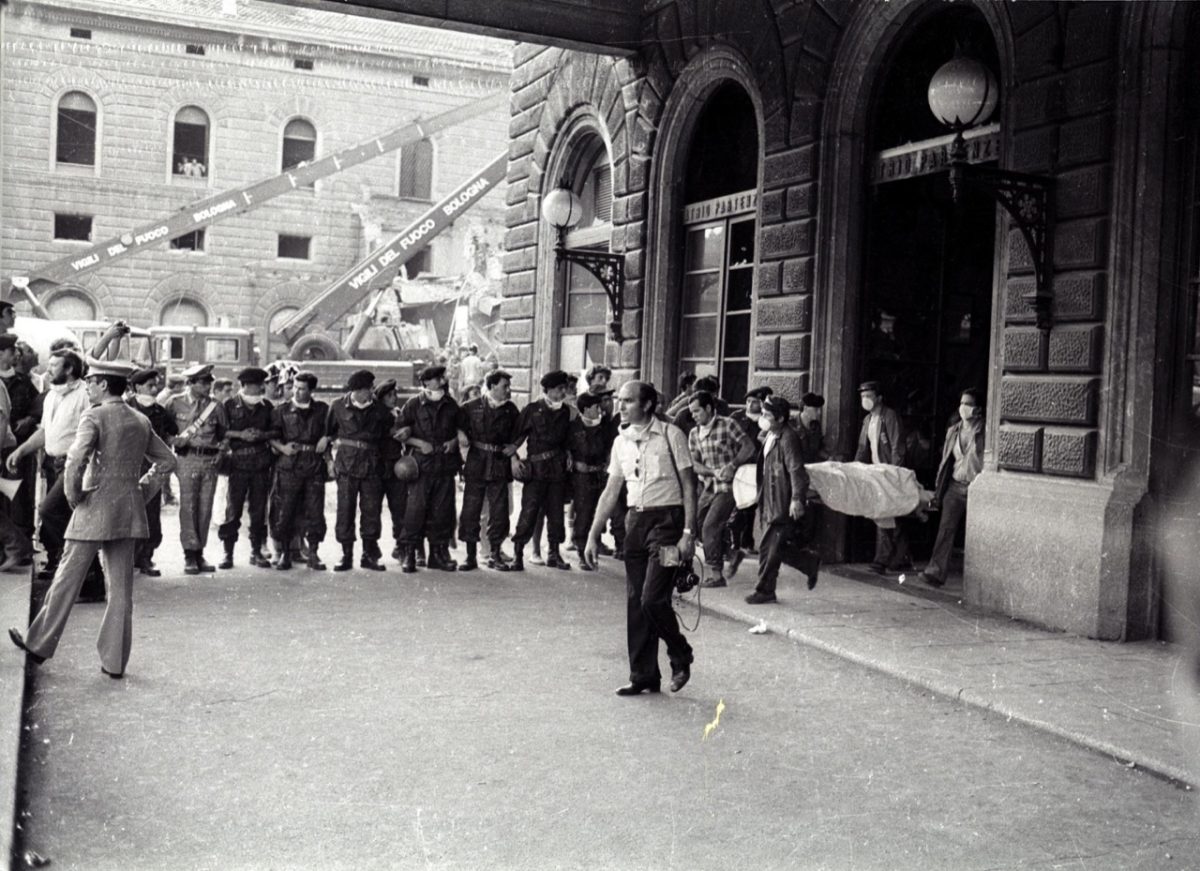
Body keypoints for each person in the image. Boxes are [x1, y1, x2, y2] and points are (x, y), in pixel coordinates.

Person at [8, 359, 176, 679]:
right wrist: (142, 491)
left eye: (91, 382)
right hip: (128, 510)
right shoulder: (140, 419)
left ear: (101, 384)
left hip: (93, 507)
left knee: (66, 579)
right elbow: (167, 460)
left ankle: (39, 644)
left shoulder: (94, 415)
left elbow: (75, 459)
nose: (87, 386)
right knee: (121, 589)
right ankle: (115, 663)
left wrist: (73, 494)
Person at [584, 381, 697, 696]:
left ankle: (680, 652)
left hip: (668, 526)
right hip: (635, 524)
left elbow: (690, 486)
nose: (620, 406)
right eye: (620, 400)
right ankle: (644, 675)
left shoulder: (672, 436)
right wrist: (593, 534)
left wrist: (689, 533)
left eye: (628, 401)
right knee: (637, 600)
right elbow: (611, 491)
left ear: (648, 405)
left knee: (653, 597)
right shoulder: (621, 441)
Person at [7, 349, 93, 585]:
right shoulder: (52, 396)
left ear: (69, 369)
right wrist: (21, 450)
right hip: (54, 464)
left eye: (55, 366)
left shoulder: (85, 394)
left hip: (75, 464)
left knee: (49, 510)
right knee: (68, 519)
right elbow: (46, 432)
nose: (49, 369)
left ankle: (86, 571)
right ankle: (81, 574)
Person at [748, 395, 820, 604]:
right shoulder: (772, 434)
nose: (763, 418)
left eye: (767, 415)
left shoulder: (788, 438)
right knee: (775, 545)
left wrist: (797, 499)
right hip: (769, 497)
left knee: (768, 547)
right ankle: (808, 563)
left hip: (781, 500)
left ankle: (765, 590)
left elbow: (797, 470)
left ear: (780, 418)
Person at [686, 389, 756, 587]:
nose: (694, 416)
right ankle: (732, 554)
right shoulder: (694, 433)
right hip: (709, 486)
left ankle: (716, 575)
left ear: (709, 408)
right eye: (691, 412)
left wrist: (733, 465)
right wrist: (711, 472)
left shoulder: (728, 424)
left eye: (697, 411)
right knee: (697, 523)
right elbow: (695, 464)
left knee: (711, 525)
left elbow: (748, 447)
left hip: (729, 487)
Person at [398, 365, 462, 573]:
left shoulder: (451, 404)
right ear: (427, 383)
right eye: (438, 378)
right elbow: (398, 431)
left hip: (444, 466)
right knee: (415, 511)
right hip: (421, 468)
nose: (442, 380)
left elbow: (460, 430)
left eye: (442, 377)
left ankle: (438, 555)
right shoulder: (414, 404)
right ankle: (409, 554)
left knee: (442, 512)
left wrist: (453, 442)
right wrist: (418, 443)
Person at [165, 363, 227, 576]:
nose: (208, 386)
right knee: (189, 506)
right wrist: (173, 440)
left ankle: (200, 552)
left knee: (205, 507)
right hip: (187, 458)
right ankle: (189, 554)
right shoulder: (174, 404)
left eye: (209, 382)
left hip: (209, 461)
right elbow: (161, 431)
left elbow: (224, 434)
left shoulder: (216, 407)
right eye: (203, 382)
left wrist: (221, 453)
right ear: (191, 383)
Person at [919, 389, 985, 588]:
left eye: (969, 404)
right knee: (946, 529)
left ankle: (979, 580)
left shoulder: (985, 431)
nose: (963, 407)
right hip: (955, 486)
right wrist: (940, 488)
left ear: (979, 409)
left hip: (977, 487)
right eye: (962, 402)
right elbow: (946, 461)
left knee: (978, 533)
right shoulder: (953, 431)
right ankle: (935, 572)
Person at [510, 370, 575, 572]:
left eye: (564, 388)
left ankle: (554, 554)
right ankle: (518, 555)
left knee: (556, 513)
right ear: (547, 390)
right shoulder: (532, 410)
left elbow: (569, 440)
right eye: (558, 389)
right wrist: (513, 459)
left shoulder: (567, 412)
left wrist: (569, 454)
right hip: (536, 471)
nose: (563, 392)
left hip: (557, 471)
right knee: (529, 512)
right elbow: (515, 439)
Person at [327, 369, 390, 572]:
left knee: (372, 511)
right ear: (356, 390)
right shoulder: (337, 406)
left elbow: (388, 438)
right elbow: (326, 436)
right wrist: (329, 461)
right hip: (346, 465)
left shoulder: (380, 410)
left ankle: (368, 554)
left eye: (370, 389)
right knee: (345, 510)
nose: (370, 393)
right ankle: (346, 555)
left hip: (372, 466)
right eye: (365, 390)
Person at [457, 368, 519, 572]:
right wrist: (460, 434)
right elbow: (453, 423)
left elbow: (521, 431)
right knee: (471, 510)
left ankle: (495, 554)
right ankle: (470, 556)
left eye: (508, 387)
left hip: (500, 463)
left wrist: (515, 447)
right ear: (492, 386)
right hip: (476, 462)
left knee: (499, 512)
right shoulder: (470, 407)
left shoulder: (511, 410)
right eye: (504, 386)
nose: (508, 390)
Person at [268, 371, 330, 571]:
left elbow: (334, 429)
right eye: (295, 387)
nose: (296, 391)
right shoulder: (281, 411)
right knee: (285, 509)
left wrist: (326, 438)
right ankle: (286, 552)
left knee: (315, 511)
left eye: (302, 388)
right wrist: (282, 448)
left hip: (313, 465)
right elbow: (271, 436)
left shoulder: (322, 410)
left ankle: (313, 552)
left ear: (311, 390)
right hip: (289, 465)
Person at [217, 367, 276, 570]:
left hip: (260, 466)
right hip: (238, 466)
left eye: (262, 384)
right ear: (244, 386)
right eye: (256, 384)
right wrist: (240, 435)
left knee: (259, 511)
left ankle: (256, 551)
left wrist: (261, 435)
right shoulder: (229, 405)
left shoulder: (267, 406)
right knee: (233, 510)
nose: (261, 388)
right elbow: (221, 431)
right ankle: (228, 553)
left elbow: (276, 430)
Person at [127, 368, 178, 577]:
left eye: (156, 385)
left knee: (151, 515)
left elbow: (172, 433)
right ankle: (125, 559)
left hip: (152, 469)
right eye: (150, 385)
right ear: (138, 387)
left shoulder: (160, 411)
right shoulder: (125, 408)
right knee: (127, 513)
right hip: (127, 467)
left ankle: (146, 557)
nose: (155, 389)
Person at [855, 380, 909, 573]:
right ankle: (900, 556)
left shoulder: (889, 416)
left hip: (889, 473)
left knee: (886, 513)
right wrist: (856, 469)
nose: (865, 400)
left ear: (879, 398)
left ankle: (883, 559)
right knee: (888, 514)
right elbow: (863, 448)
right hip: (877, 473)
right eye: (862, 396)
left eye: (869, 396)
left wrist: (894, 473)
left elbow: (897, 447)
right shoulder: (867, 420)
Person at [0, 334, 36, 569]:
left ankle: (16, 546)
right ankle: (13, 547)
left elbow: (1, 422)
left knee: (10, 501)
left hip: (4, 449)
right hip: (6, 447)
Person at [729, 386, 772, 553]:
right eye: (748, 401)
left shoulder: (766, 420)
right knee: (739, 504)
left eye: (754, 402)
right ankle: (734, 541)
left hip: (757, 466)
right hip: (740, 467)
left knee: (751, 506)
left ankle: (746, 542)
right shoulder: (737, 417)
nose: (749, 405)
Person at [373, 379, 408, 561]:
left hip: (395, 466)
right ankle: (372, 548)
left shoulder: (398, 413)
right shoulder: (376, 415)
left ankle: (400, 546)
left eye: (395, 394)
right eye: (389, 395)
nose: (394, 398)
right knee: (373, 510)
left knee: (399, 508)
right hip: (378, 467)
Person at [797, 392, 828, 463]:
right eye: (816, 409)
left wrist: (829, 457)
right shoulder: (791, 425)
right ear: (805, 408)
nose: (819, 413)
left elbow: (818, 449)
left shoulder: (816, 426)